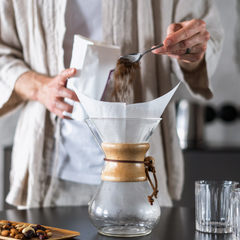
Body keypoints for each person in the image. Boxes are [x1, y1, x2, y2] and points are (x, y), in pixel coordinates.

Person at [0, 0, 223, 208]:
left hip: (139, 173)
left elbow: (205, 42)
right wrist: (40, 87)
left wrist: (190, 46)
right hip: (50, 172)